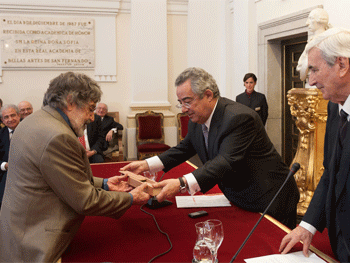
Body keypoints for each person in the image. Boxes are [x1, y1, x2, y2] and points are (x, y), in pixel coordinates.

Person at [0, 72, 152, 262]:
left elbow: (56, 177)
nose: (91, 117)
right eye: (90, 108)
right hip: (35, 241)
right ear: (70, 102)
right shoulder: (57, 136)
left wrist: (104, 184)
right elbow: (85, 201)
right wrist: (130, 198)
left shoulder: (34, 120)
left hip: (18, 229)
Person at [121, 67, 300, 229]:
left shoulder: (239, 118)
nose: (183, 109)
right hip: (240, 197)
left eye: (187, 101)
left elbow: (225, 161)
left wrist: (181, 183)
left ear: (208, 95)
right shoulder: (198, 118)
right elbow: (184, 148)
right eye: (180, 102)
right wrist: (145, 165)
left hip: (271, 198)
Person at [279, 27, 350, 262]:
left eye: (315, 70)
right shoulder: (333, 105)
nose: (311, 81)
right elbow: (331, 172)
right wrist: (307, 225)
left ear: (342, 65)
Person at [297, 8, 332, 81]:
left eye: (311, 18)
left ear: (320, 20)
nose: (307, 23)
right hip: (311, 81)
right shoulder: (312, 41)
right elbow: (300, 66)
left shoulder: (327, 41)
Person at [0, 104, 21, 208]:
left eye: (13, 115)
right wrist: (5, 165)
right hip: (6, 174)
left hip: (28, 173)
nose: (10, 119)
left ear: (19, 116)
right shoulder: (0, 134)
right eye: (6, 117)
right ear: (2, 120)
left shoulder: (30, 130)